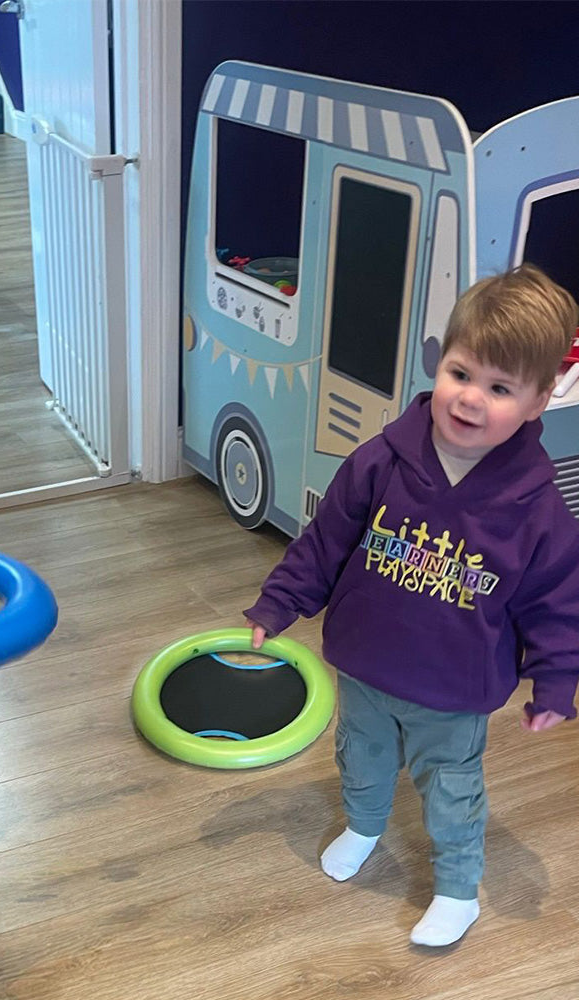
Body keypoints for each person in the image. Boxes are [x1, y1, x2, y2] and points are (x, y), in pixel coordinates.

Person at [243, 263, 579, 947]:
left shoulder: (539, 514)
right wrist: (278, 603)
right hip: (365, 663)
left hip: (454, 691)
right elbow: (326, 539)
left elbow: (558, 606)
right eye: (461, 373)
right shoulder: (380, 461)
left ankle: (459, 888)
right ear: (440, 362)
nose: (470, 399)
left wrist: (557, 682)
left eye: (500, 388)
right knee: (359, 757)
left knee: (452, 791)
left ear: (540, 400)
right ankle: (365, 827)